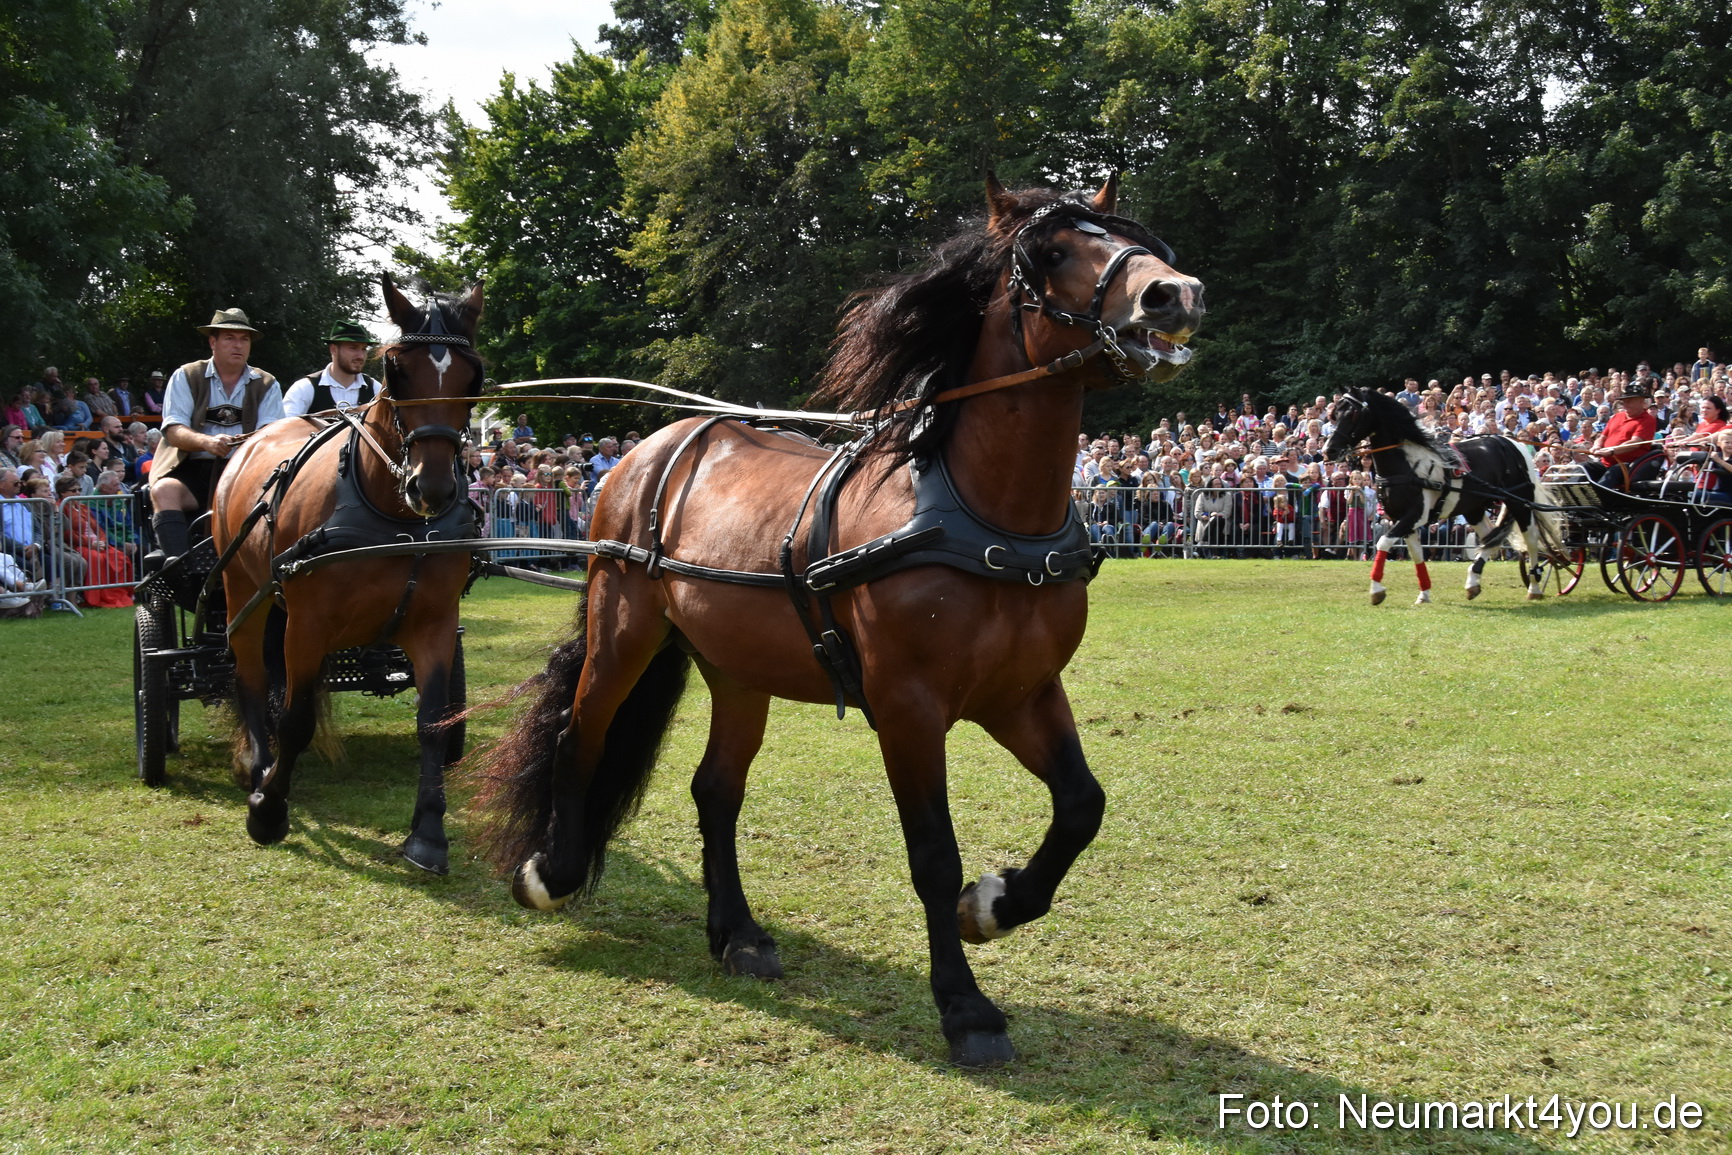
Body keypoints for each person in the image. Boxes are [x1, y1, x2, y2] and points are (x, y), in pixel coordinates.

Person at [149, 308, 283, 560]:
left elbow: (271, 436)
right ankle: (179, 565)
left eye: (244, 339)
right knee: (164, 490)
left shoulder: (267, 383)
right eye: (230, 338)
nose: (238, 345)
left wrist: (240, 448)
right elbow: (174, 430)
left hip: (245, 473)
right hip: (193, 470)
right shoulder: (187, 375)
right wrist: (207, 443)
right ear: (213, 342)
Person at [280, 320, 379, 417]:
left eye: (364, 349)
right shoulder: (305, 388)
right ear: (333, 349)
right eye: (353, 348)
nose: (361, 356)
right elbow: (284, 426)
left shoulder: (375, 389)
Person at [1578, 380, 1659, 490]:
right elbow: (1602, 437)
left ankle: (1598, 496)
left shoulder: (1647, 420)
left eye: (1630, 401)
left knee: (1614, 471)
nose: (1626, 404)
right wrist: (1596, 446)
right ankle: (1567, 494)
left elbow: (1635, 443)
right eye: (1624, 401)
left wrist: (1612, 451)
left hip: (1629, 465)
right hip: (1605, 462)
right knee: (1583, 468)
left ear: (1641, 401)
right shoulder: (1617, 416)